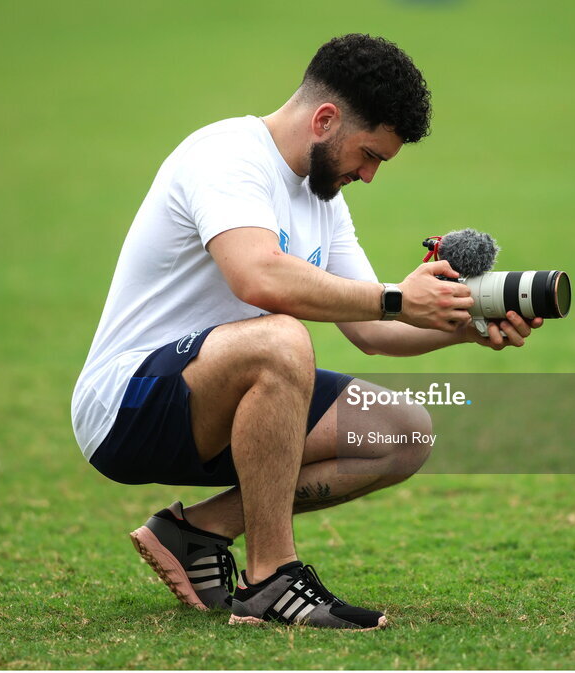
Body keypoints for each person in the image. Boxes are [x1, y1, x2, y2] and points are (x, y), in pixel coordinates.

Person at [71, 33, 542, 631]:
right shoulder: (225, 155)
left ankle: (198, 533)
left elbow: (374, 329)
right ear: (325, 119)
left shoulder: (323, 196)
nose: (369, 175)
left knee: (402, 432)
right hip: (126, 405)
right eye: (369, 155)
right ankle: (271, 579)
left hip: (231, 399)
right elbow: (258, 277)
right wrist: (398, 295)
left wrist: (464, 324)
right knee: (282, 336)